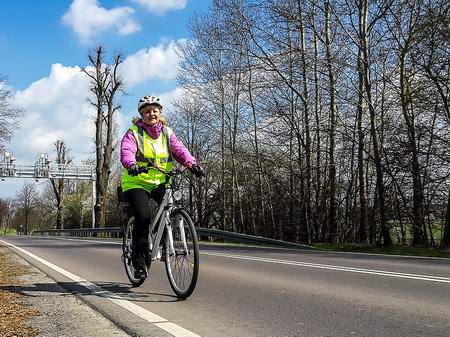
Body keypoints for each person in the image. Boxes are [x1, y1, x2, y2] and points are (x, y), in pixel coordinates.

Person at [120, 95, 204, 278]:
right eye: (147, 111)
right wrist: (131, 164)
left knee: (171, 209)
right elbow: (127, 150)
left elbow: (180, 150)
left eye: (155, 110)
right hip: (137, 181)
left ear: (160, 113)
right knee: (143, 217)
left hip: (162, 180)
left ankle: (166, 246)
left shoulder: (167, 133)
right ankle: (140, 264)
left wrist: (192, 164)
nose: (151, 114)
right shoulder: (133, 133)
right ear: (141, 114)